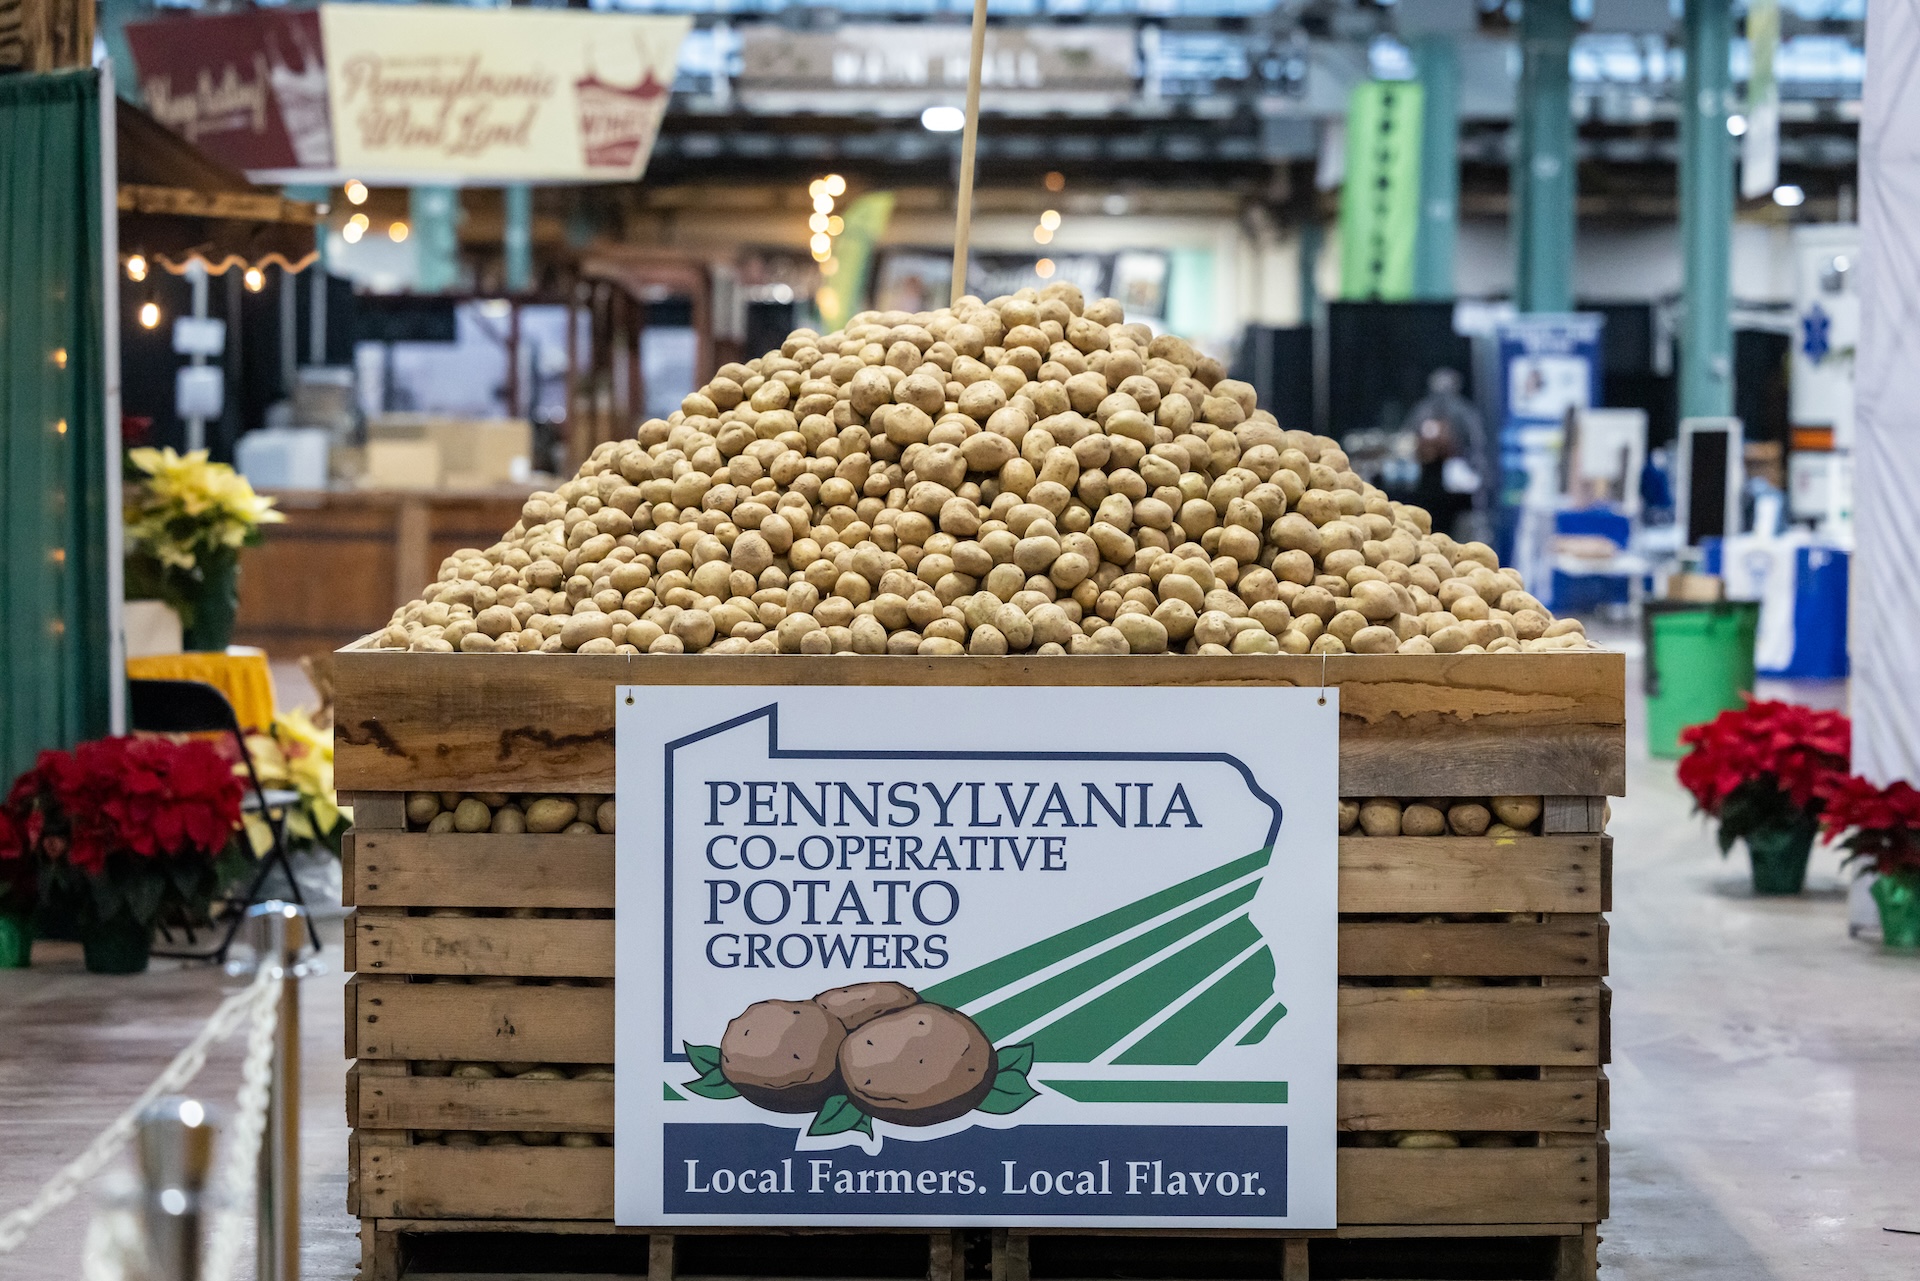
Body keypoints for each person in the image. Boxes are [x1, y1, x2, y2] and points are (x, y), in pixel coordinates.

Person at [1402, 368, 1485, 539]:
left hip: (1458, 480)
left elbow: (1476, 444)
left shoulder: (1463, 411)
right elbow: (1408, 440)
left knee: (1457, 529)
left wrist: (1473, 468)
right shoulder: (1423, 410)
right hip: (1427, 479)